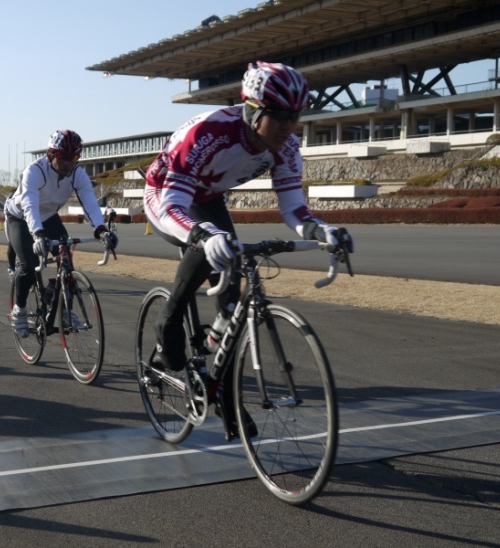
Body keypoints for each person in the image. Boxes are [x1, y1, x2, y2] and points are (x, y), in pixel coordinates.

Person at [143, 61, 353, 438]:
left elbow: (294, 208)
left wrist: (323, 230)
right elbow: (173, 203)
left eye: (296, 116)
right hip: (166, 196)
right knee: (208, 247)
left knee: (236, 296)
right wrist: (203, 236)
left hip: (207, 199)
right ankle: (170, 316)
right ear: (255, 110)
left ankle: (215, 367)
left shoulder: (286, 146)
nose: (290, 126)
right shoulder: (209, 132)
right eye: (281, 116)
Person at [4, 129, 118, 338]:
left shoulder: (77, 173)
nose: (69, 163)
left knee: (66, 259)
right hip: (20, 216)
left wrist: (101, 230)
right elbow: (29, 204)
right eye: (63, 157)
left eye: (74, 157)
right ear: (50, 155)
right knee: (29, 265)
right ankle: (18, 310)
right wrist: (38, 234)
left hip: (48, 216)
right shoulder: (35, 171)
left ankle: (64, 309)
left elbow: (90, 203)